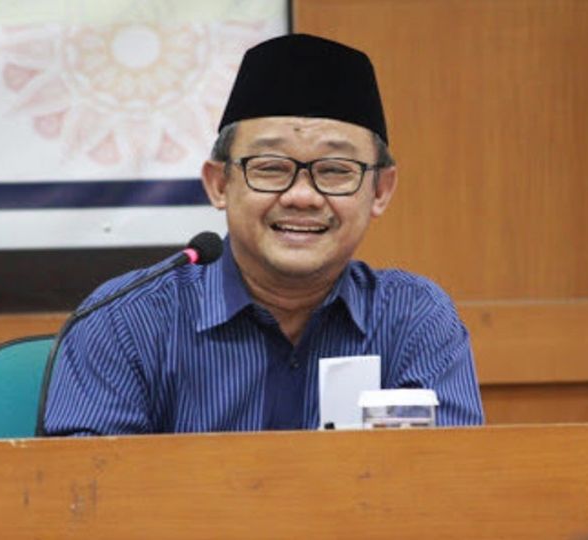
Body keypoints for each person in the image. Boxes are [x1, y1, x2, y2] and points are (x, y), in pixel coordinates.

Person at [42, 34, 483, 435]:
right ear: (219, 184)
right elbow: (87, 491)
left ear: (380, 191)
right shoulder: (124, 322)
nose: (302, 196)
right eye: (271, 168)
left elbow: (452, 484)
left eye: (335, 170)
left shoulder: (414, 319)